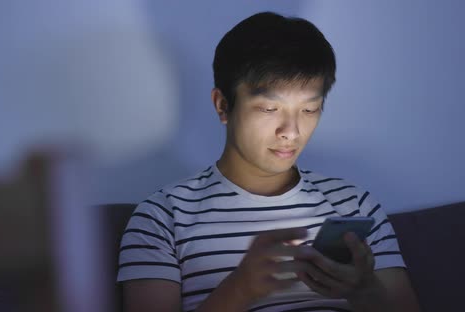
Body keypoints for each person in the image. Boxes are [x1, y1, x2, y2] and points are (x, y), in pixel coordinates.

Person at [117, 11, 420, 312]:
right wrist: (239, 290)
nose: (291, 131)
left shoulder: (355, 206)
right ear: (223, 106)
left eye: (309, 110)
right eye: (269, 109)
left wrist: (365, 291)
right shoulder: (161, 218)